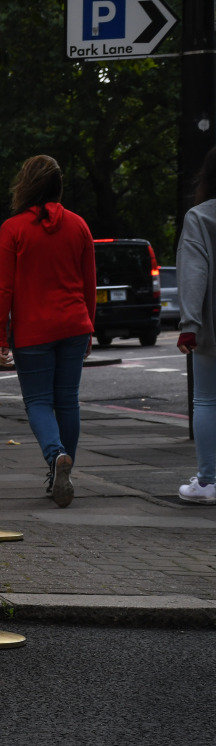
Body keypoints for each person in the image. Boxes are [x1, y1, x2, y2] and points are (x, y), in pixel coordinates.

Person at [0, 155, 97, 507]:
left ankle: (55, 456)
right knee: (68, 401)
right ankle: (61, 471)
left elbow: (3, 289)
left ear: (27, 185)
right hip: (74, 324)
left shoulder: (13, 229)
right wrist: (89, 327)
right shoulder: (80, 226)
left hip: (33, 329)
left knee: (38, 401)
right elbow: (89, 285)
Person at [174, 145, 216, 505]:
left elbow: (194, 272)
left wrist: (189, 324)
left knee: (207, 400)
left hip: (212, 329)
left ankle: (208, 481)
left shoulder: (200, 217)